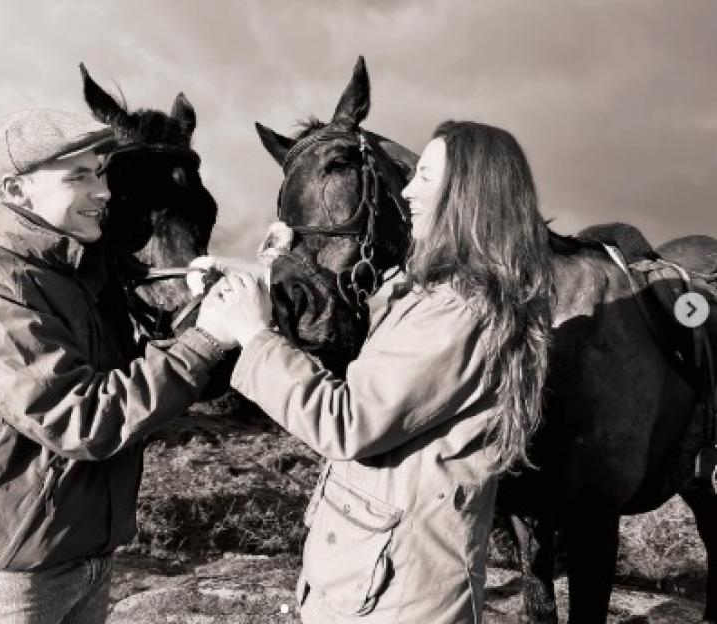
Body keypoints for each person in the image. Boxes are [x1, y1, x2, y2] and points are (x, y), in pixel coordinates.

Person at [197, 120, 554, 623]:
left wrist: (255, 338)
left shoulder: (459, 310)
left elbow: (347, 422)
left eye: (426, 178)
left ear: (471, 193)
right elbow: (362, 345)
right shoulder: (434, 294)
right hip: (375, 579)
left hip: (400, 597)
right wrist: (252, 288)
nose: (406, 191)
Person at [0, 109, 234, 623]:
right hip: (14, 570)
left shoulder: (83, 270)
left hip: (86, 552)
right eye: (78, 176)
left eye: (100, 172)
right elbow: (79, 420)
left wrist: (201, 307)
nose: (103, 190)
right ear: (16, 191)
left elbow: (137, 375)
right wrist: (204, 340)